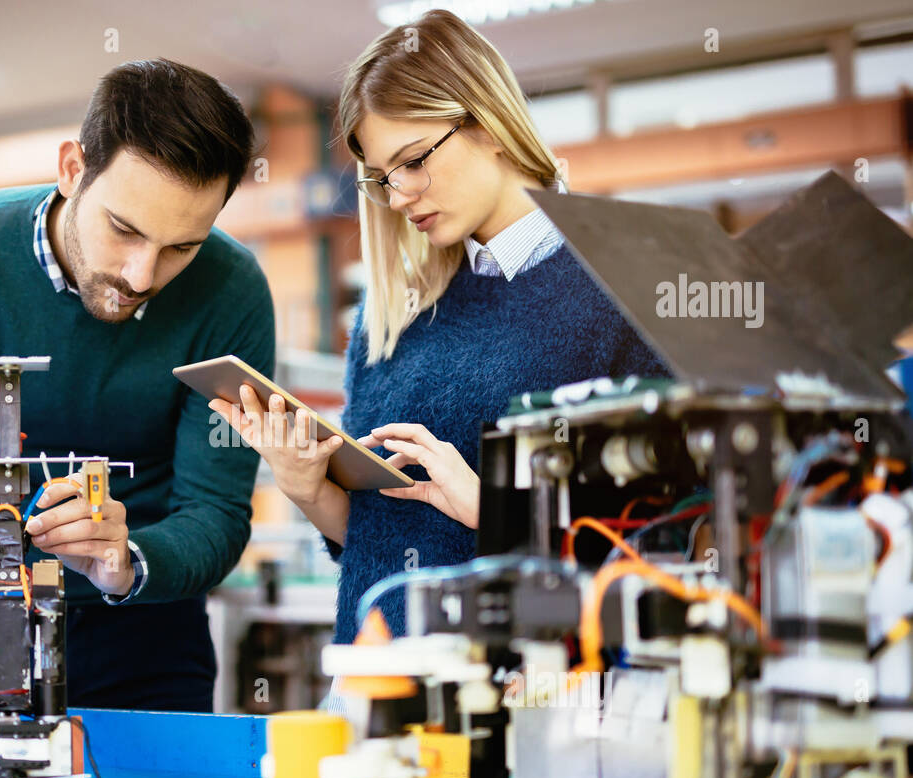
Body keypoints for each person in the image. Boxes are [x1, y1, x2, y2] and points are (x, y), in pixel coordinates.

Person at [209, 10, 668, 646]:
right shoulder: (390, 314)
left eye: (413, 161)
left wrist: (495, 512)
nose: (398, 196)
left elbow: (662, 532)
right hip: (371, 677)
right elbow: (370, 540)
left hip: (520, 686)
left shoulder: (623, 289)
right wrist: (307, 488)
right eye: (383, 177)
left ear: (488, 124)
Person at [0, 59, 275, 712]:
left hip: (150, 635)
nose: (141, 276)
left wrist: (128, 560)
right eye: (125, 230)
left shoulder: (231, 291)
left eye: (182, 248)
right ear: (72, 169)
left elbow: (215, 514)